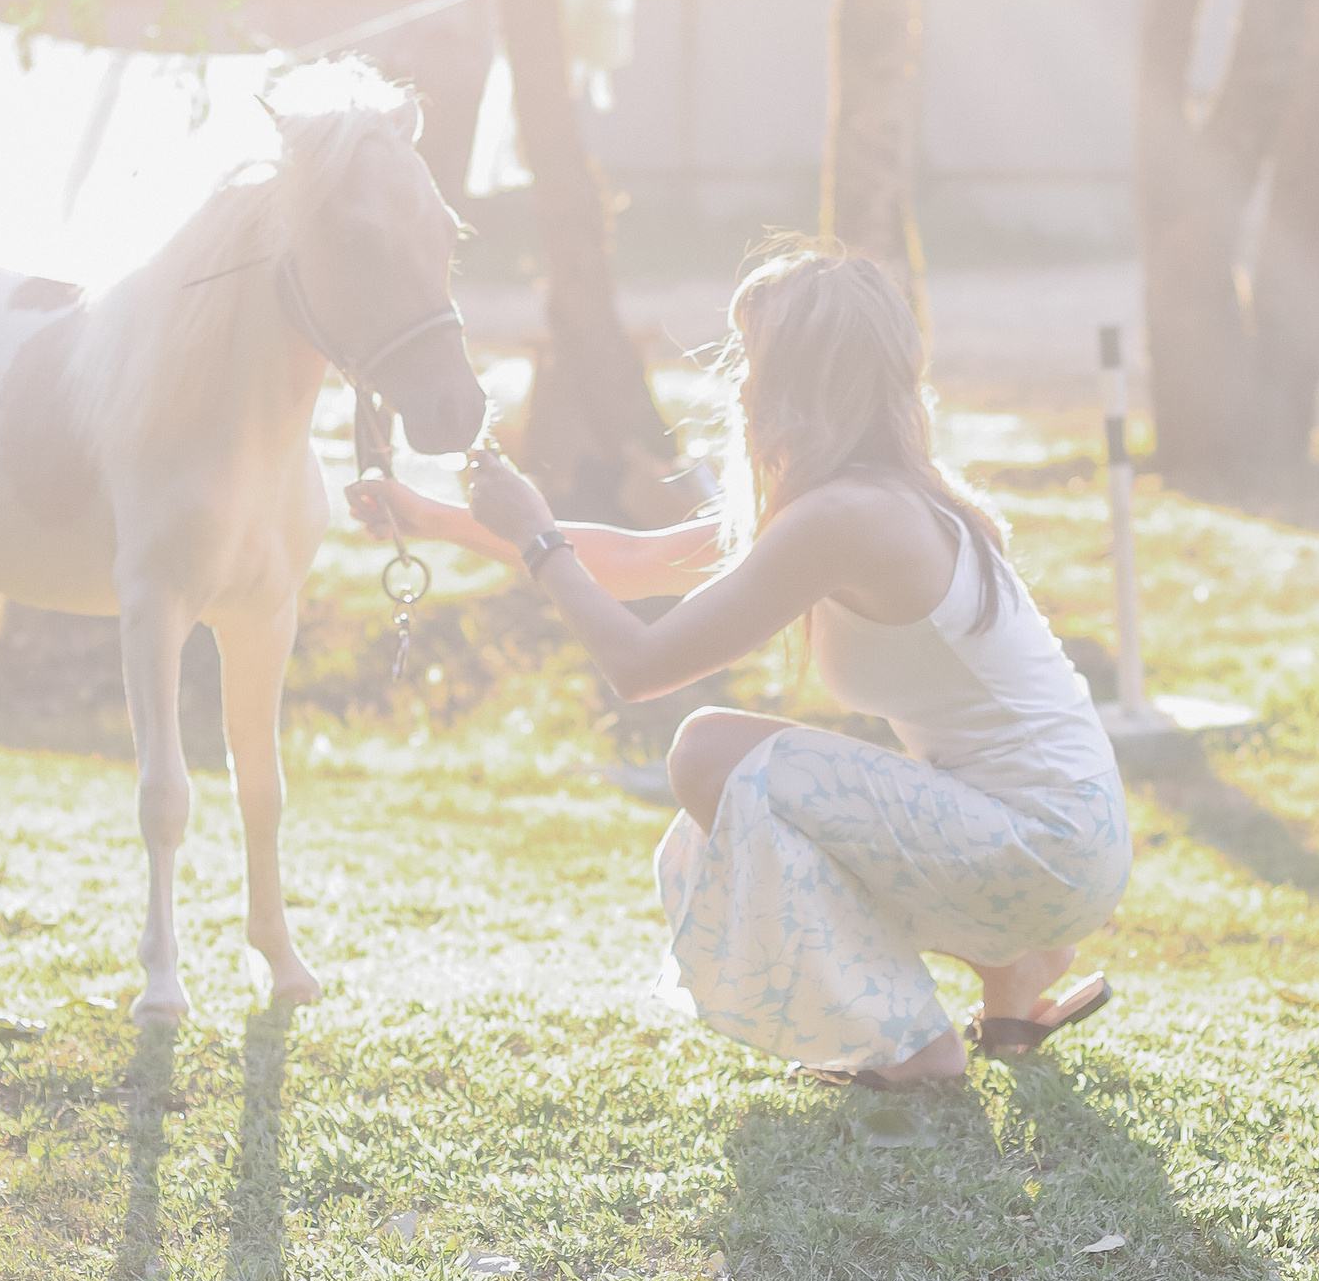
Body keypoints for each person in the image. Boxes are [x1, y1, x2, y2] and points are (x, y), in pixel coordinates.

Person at [352, 240, 1131, 1089]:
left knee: (708, 754)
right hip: (1065, 841)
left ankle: (913, 1045)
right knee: (739, 789)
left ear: (797, 382)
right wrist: (431, 516)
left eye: (751, 360)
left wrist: (539, 536)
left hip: (1046, 844)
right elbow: (631, 563)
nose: (739, 384)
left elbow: (639, 665)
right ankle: (1011, 975)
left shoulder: (848, 516)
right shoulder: (873, 495)